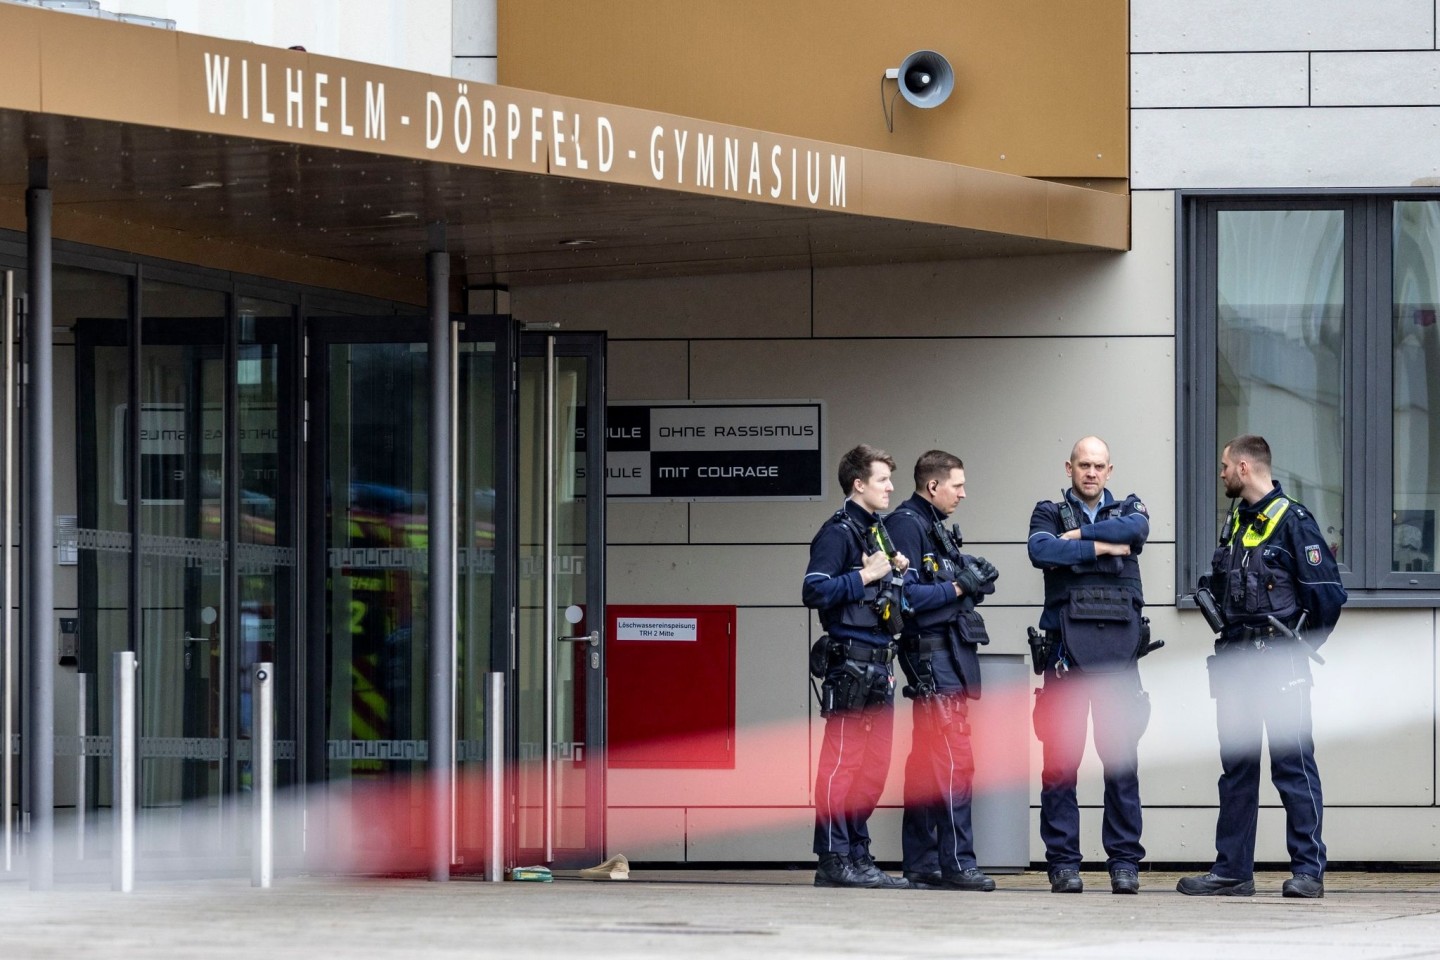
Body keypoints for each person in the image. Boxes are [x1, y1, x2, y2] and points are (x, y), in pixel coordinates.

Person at [1178, 434, 1347, 899]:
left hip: (1279, 663)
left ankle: (1309, 870)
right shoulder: (1235, 522)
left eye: (1225, 466)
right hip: (1235, 663)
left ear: (1246, 467)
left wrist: (1294, 649)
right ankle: (1233, 871)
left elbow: (1327, 598)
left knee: (1292, 765)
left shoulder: (1294, 521)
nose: (1221, 474)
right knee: (1236, 768)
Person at [1026, 436, 1153, 895]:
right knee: (1060, 762)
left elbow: (1136, 533)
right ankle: (1063, 863)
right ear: (1069, 468)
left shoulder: (1129, 507)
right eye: (1084, 465)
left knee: (1120, 761)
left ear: (1110, 470)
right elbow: (1041, 550)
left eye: (1099, 466)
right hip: (1065, 657)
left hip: (1119, 657)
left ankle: (1124, 862)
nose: (1092, 473)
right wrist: (1105, 549)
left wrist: (1080, 538)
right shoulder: (1048, 512)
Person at [885, 450, 1000, 891]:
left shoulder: (931, 525)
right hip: (931, 657)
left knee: (928, 767)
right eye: (957, 485)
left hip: (946, 654)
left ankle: (922, 863)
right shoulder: (907, 524)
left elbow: (945, 588)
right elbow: (908, 598)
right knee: (955, 761)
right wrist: (958, 585)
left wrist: (972, 579)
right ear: (933, 486)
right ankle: (958, 864)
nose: (964, 493)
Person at [803, 443, 910, 889]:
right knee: (842, 763)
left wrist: (896, 570)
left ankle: (857, 853)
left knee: (873, 767)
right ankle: (832, 857)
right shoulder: (838, 531)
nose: (890, 487)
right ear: (858, 483)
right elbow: (814, 590)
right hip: (849, 663)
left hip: (880, 664)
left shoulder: (876, 531)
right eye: (882, 479)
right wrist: (865, 576)